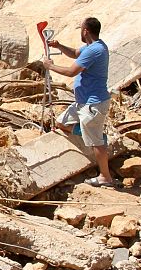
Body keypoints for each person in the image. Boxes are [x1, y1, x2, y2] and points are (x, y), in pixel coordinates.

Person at [44, 17, 115, 186]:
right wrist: (59, 46)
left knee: (96, 141)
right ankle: (92, 135)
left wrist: (50, 66)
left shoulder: (95, 50)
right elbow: (76, 53)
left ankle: (105, 177)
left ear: (85, 31)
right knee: (62, 123)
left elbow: (71, 72)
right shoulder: (93, 47)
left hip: (93, 104)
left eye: (81, 30)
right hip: (83, 103)